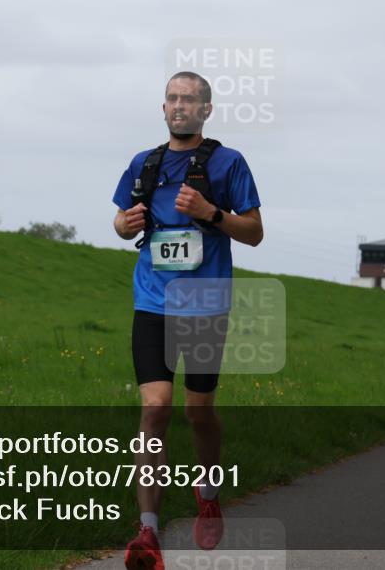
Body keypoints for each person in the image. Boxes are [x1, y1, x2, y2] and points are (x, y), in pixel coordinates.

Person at [113, 71, 263, 569]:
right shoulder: (144, 163)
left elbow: (255, 232)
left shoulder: (229, 162)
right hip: (152, 301)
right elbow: (119, 219)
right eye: (173, 99)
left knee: (199, 412)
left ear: (206, 109)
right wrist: (124, 224)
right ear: (163, 108)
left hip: (203, 303)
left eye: (190, 100)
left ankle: (207, 491)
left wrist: (210, 213)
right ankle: (148, 533)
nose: (180, 107)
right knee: (155, 408)